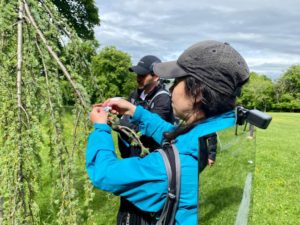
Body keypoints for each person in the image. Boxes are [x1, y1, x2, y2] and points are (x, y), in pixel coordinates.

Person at [86, 40, 250, 225]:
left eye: (178, 81)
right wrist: (133, 110)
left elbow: (105, 173)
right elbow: (173, 134)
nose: (171, 88)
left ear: (197, 93)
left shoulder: (164, 167)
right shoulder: (207, 131)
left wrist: (100, 128)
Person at [116, 55, 174, 224]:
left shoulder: (163, 99)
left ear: (156, 76)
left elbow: (144, 130)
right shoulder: (135, 93)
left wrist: (122, 121)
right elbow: (125, 119)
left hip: (150, 162)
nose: (138, 78)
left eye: (143, 74)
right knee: (128, 204)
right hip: (132, 158)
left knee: (144, 208)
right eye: (137, 74)